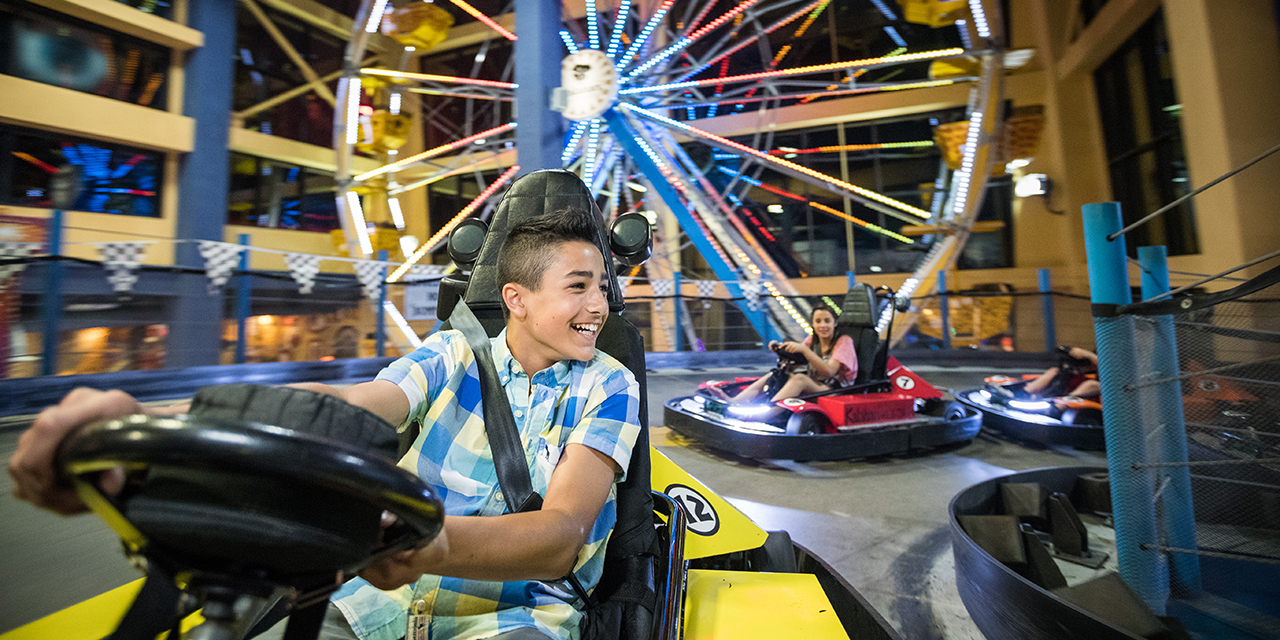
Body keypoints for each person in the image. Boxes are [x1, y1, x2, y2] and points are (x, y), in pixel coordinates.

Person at [8, 207, 642, 640]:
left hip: (515, 616)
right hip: (377, 602)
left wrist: (434, 545)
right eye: (579, 287)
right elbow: (347, 406)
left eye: (602, 288)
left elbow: (561, 536)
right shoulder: (450, 355)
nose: (601, 304)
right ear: (517, 299)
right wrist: (151, 417)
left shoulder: (609, 382)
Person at [709, 306, 857, 404]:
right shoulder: (812, 340)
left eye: (827, 321)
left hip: (834, 390)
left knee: (799, 379)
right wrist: (780, 349)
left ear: (835, 323)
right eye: (818, 321)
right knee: (777, 374)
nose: (823, 325)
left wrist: (804, 350)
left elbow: (829, 371)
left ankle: (768, 412)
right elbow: (798, 359)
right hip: (817, 384)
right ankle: (733, 401)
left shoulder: (843, 341)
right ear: (813, 324)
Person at [1024, 345, 1100, 400]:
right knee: (1054, 371)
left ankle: (1057, 407)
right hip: (1072, 397)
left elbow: (1108, 369)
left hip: (1103, 394)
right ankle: (1024, 393)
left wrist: (1088, 355)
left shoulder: (1107, 369)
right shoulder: (1081, 374)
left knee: (1091, 385)